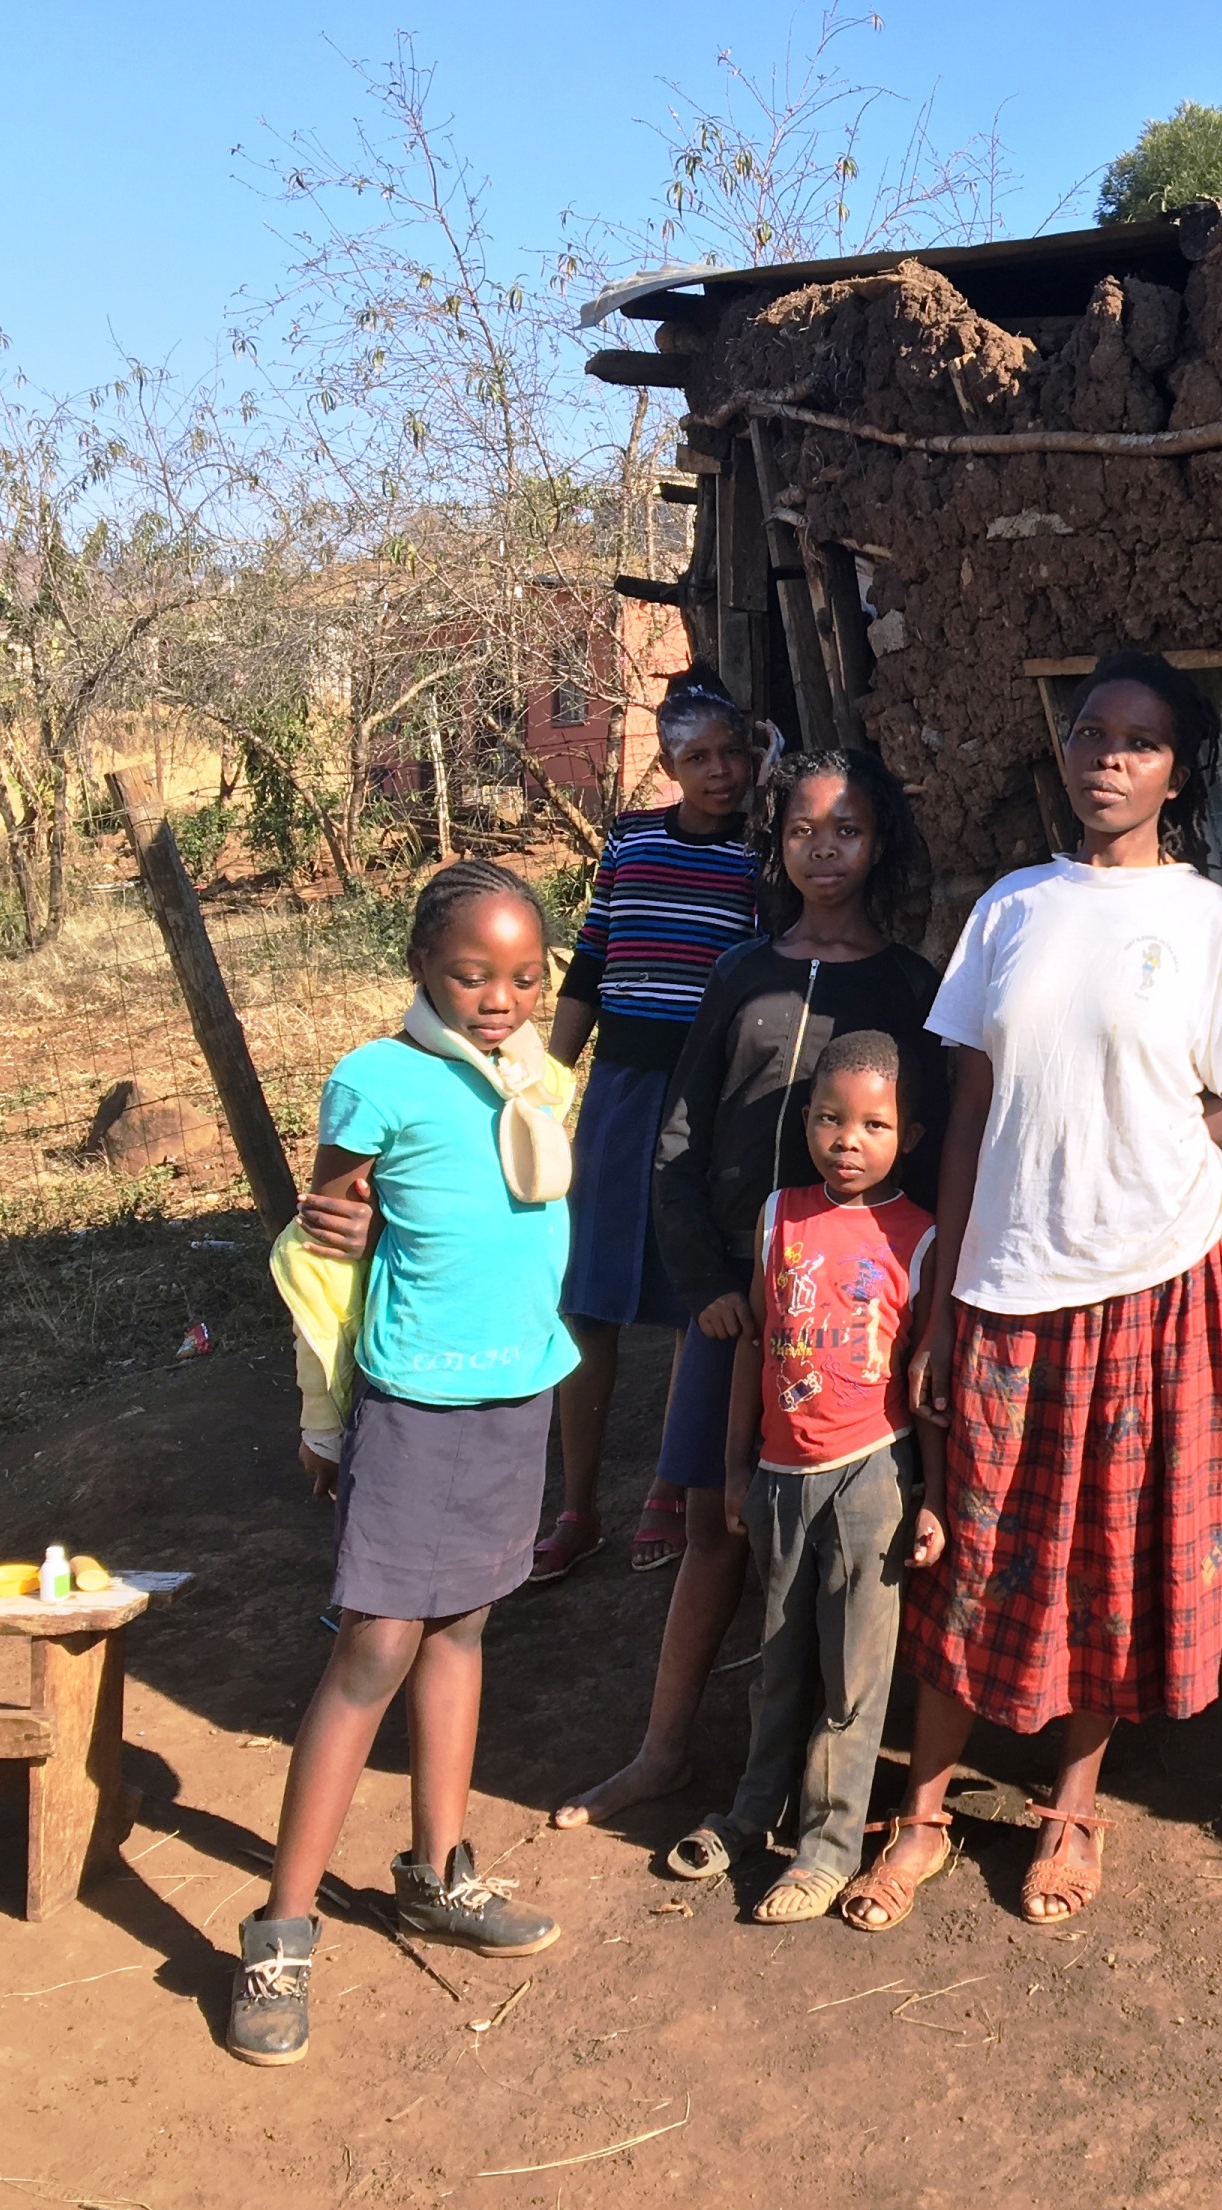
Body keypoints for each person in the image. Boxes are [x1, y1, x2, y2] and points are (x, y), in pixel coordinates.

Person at [840, 651, 1222, 1934]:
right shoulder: (1014, 909)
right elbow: (972, 1102)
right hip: (1005, 1276)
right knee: (972, 1544)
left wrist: (1168, 1123)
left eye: (1139, 743)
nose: (1108, 758)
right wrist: (941, 1291)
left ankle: (1072, 1805)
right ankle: (922, 1812)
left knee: (1109, 1544)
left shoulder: (1209, 924)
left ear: (1176, 770)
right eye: (1092, 734)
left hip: (1155, 1279)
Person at [549, 745, 949, 1832]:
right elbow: (679, 1136)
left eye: (850, 829)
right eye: (805, 828)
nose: (827, 849)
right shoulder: (741, 973)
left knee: (863, 1537)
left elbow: (937, 1152)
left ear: (882, 844)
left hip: (856, 1320)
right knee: (719, 1522)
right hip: (740, 1301)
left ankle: (835, 1787)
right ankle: (665, 1749)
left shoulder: (911, 990)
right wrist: (708, 1281)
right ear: (778, 843)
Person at [232, 861, 580, 2066]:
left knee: (465, 1627)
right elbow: (324, 1245)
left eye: (525, 976)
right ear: (423, 970)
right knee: (374, 1644)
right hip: (414, 1400)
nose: (500, 998)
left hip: (515, 1391)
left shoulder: (543, 1079)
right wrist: (323, 1417)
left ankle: (438, 1870)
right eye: (472, 975)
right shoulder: (377, 1080)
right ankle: (279, 1927)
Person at [662, 1028, 946, 1920]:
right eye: (829, 1119)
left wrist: (932, 1495)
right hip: (781, 1474)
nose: (847, 1140)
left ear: (912, 1136)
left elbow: (923, 1382)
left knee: (853, 1671)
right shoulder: (780, 1214)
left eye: (872, 1124)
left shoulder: (923, 1236)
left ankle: (827, 1846)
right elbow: (753, 1347)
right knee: (777, 1656)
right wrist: (738, 1462)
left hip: (873, 1474)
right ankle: (753, 1810)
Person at [532, 669, 766, 1582]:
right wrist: (550, 1083)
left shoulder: (759, 860)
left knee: (687, 1297)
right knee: (589, 1294)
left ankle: (670, 1490)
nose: (719, 772)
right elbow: (590, 962)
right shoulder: (629, 847)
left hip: (702, 1091)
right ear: (667, 764)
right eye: (697, 756)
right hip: (620, 1089)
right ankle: (578, 1503)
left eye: (732, 753)